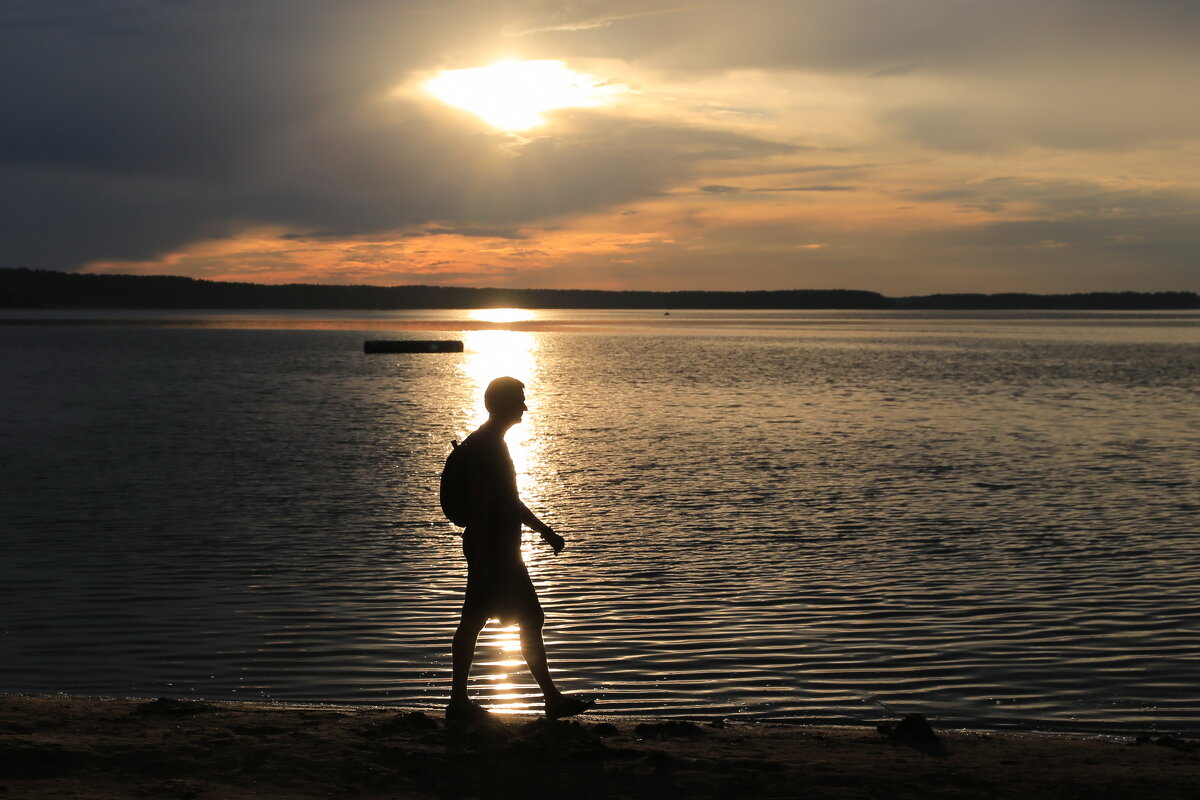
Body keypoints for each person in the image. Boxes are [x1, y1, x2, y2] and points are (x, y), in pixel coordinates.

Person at [447, 376, 595, 722]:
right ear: (500, 405)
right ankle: (548, 699)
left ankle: (460, 702)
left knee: (477, 621)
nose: (525, 406)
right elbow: (483, 507)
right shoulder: (488, 448)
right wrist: (483, 562)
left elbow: (509, 501)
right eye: (519, 399)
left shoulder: (491, 443)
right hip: (494, 551)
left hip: (495, 549)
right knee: (513, 618)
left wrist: (545, 531)